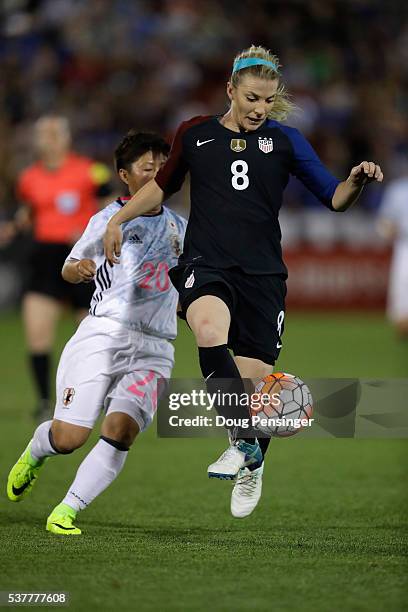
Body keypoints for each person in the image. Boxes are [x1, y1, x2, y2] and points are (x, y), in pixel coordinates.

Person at [103, 45, 383, 519]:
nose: (259, 109)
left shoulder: (288, 141)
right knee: (210, 331)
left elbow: (335, 198)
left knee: (256, 389)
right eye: (252, 98)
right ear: (230, 90)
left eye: (268, 100)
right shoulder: (195, 133)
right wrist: (118, 219)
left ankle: (251, 461)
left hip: (264, 275)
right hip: (206, 264)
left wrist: (356, 180)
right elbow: (162, 186)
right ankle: (242, 443)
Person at [7, 130, 187, 535]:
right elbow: (69, 267)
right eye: (148, 167)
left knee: (122, 431)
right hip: (104, 336)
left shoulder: (181, 227)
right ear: (125, 175)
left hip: (156, 347)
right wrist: (80, 270)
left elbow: (190, 283)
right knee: (70, 437)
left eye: (164, 166)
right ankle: (38, 450)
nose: (159, 174)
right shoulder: (107, 220)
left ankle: (66, 510)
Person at [5, 115, 112, 421]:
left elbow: (112, 207)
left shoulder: (90, 170)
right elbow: (30, 210)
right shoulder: (28, 178)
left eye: (55, 132)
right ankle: (43, 402)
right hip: (45, 258)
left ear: (67, 137)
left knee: (91, 334)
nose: (49, 138)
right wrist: (13, 227)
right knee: (37, 332)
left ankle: (97, 397)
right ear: (36, 140)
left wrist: (90, 231)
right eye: (44, 133)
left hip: (81, 256)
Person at [377, 174, 408, 338]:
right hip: (404, 245)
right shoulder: (398, 189)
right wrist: (389, 231)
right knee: (402, 299)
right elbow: (384, 222)